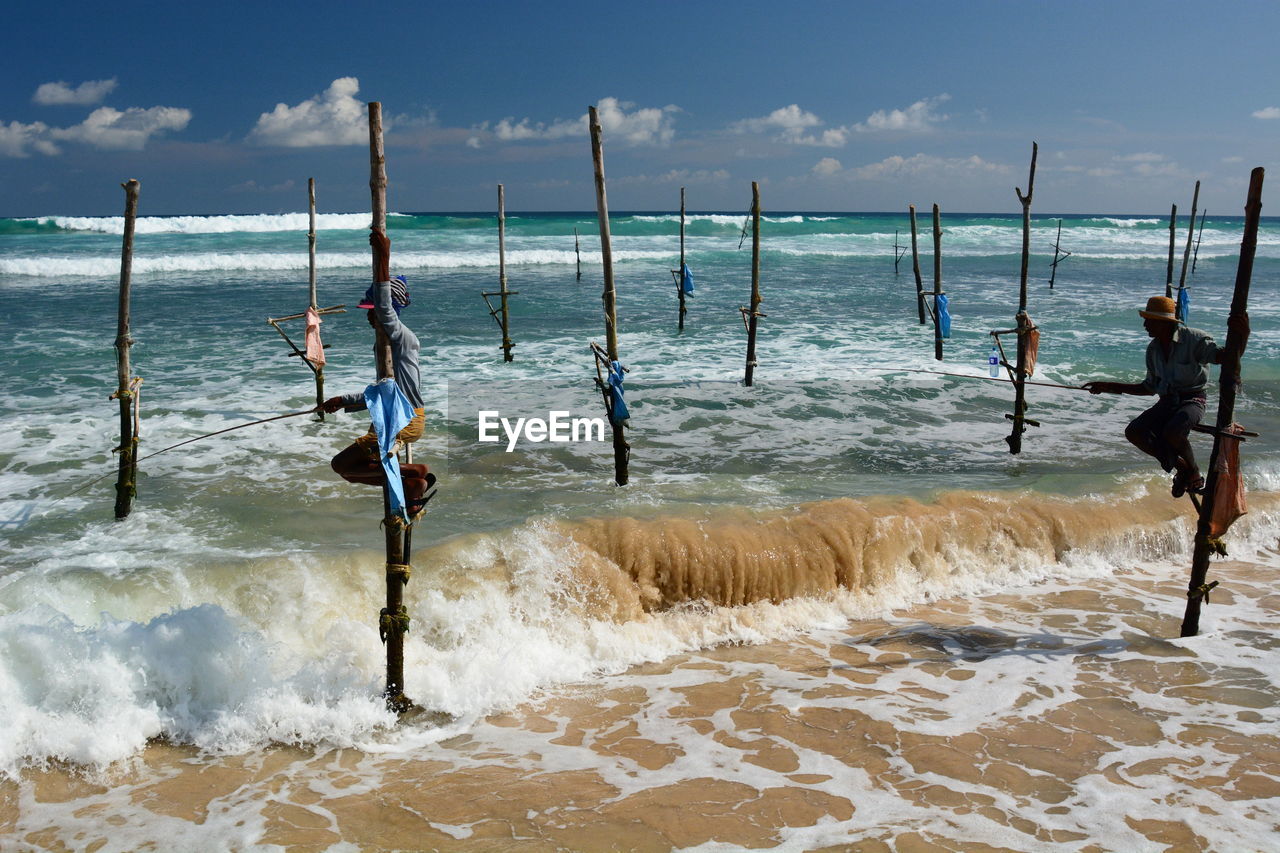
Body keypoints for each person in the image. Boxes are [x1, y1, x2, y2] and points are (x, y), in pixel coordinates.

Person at [1083, 295, 1247, 498]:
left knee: (1173, 431)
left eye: (1149, 320)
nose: (1144, 325)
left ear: (1163, 322)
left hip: (1193, 399)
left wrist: (1243, 335)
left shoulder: (1194, 339)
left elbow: (1226, 357)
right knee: (1134, 432)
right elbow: (1149, 388)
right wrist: (1106, 386)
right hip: (1168, 401)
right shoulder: (1153, 350)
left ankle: (1193, 472)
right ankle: (1182, 467)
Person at [320, 230, 434, 517]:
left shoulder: (402, 339)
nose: (369, 315)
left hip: (404, 420)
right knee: (350, 472)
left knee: (340, 464)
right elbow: (384, 392)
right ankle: (413, 476)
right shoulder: (383, 346)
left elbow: (384, 306)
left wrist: (384, 255)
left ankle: (415, 476)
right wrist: (344, 400)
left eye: (372, 310)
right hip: (393, 417)